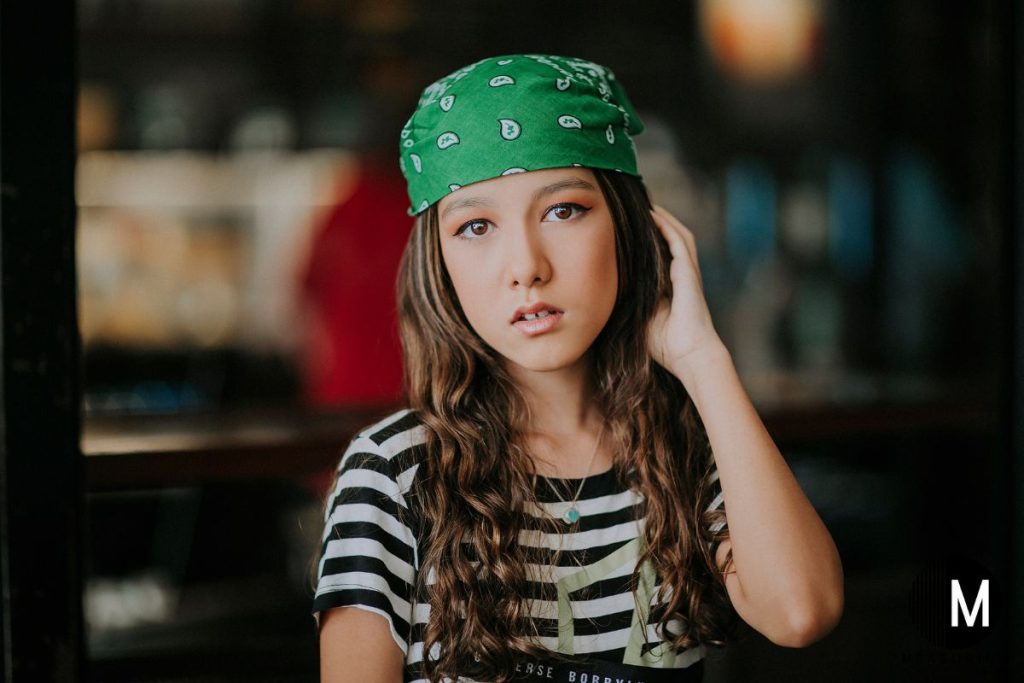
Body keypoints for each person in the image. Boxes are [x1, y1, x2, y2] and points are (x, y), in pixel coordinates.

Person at [312, 54, 844, 683]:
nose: (526, 266)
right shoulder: (392, 475)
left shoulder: (690, 447)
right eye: (476, 226)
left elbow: (801, 610)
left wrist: (702, 360)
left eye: (563, 210)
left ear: (631, 229)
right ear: (439, 266)